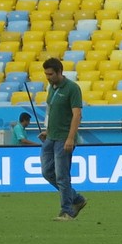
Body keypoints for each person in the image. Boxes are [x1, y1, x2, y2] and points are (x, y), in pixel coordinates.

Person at [38, 58, 87, 221]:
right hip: (51, 137)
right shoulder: (51, 88)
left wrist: (70, 138)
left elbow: (77, 114)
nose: (48, 77)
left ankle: (67, 211)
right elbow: (51, 112)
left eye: (50, 74)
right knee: (47, 172)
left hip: (64, 138)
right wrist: (47, 130)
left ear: (59, 72)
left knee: (62, 175)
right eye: (46, 74)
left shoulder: (72, 88)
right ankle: (76, 199)